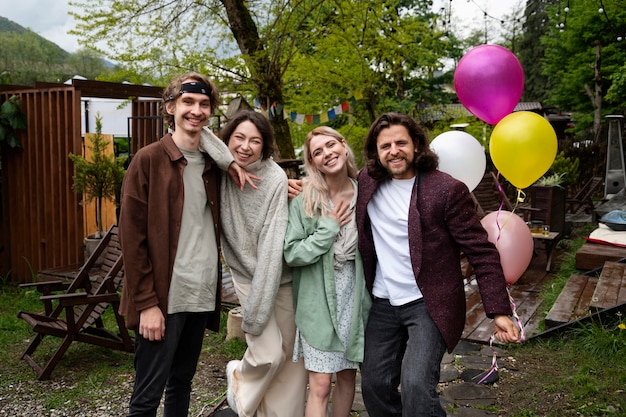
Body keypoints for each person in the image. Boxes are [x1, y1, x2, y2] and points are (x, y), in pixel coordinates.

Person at [356, 112, 520, 417]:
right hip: (381, 301)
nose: (394, 150)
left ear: (416, 145)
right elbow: (330, 187)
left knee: (417, 386)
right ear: (376, 154)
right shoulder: (366, 182)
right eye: (385, 145)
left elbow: (481, 251)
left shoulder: (446, 190)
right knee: (374, 385)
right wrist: (294, 187)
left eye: (401, 142)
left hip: (429, 302)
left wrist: (498, 310)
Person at [118, 71, 251, 417]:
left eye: (204, 104)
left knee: (182, 384)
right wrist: (146, 304)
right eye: (188, 102)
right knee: (147, 395)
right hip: (163, 299)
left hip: (200, 294)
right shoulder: (147, 161)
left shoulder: (213, 165)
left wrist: (288, 188)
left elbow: (252, 172)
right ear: (170, 107)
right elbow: (131, 241)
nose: (196, 110)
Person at [200, 110, 308, 417]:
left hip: (281, 275)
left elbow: (274, 244)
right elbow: (199, 133)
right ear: (227, 140)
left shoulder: (275, 178)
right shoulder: (220, 170)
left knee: (289, 358)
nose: (246, 146)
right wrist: (228, 162)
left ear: (265, 146)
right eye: (239, 138)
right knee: (268, 354)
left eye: (255, 141)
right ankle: (239, 380)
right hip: (247, 274)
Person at [283, 127, 371, 417]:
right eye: (317, 152)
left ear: (344, 146)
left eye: (330, 145)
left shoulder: (366, 193)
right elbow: (292, 252)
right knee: (320, 384)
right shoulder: (305, 199)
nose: (327, 154)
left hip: (356, 296)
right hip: (317, 299)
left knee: (347, 376)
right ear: (313, 162)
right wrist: (328, 228)